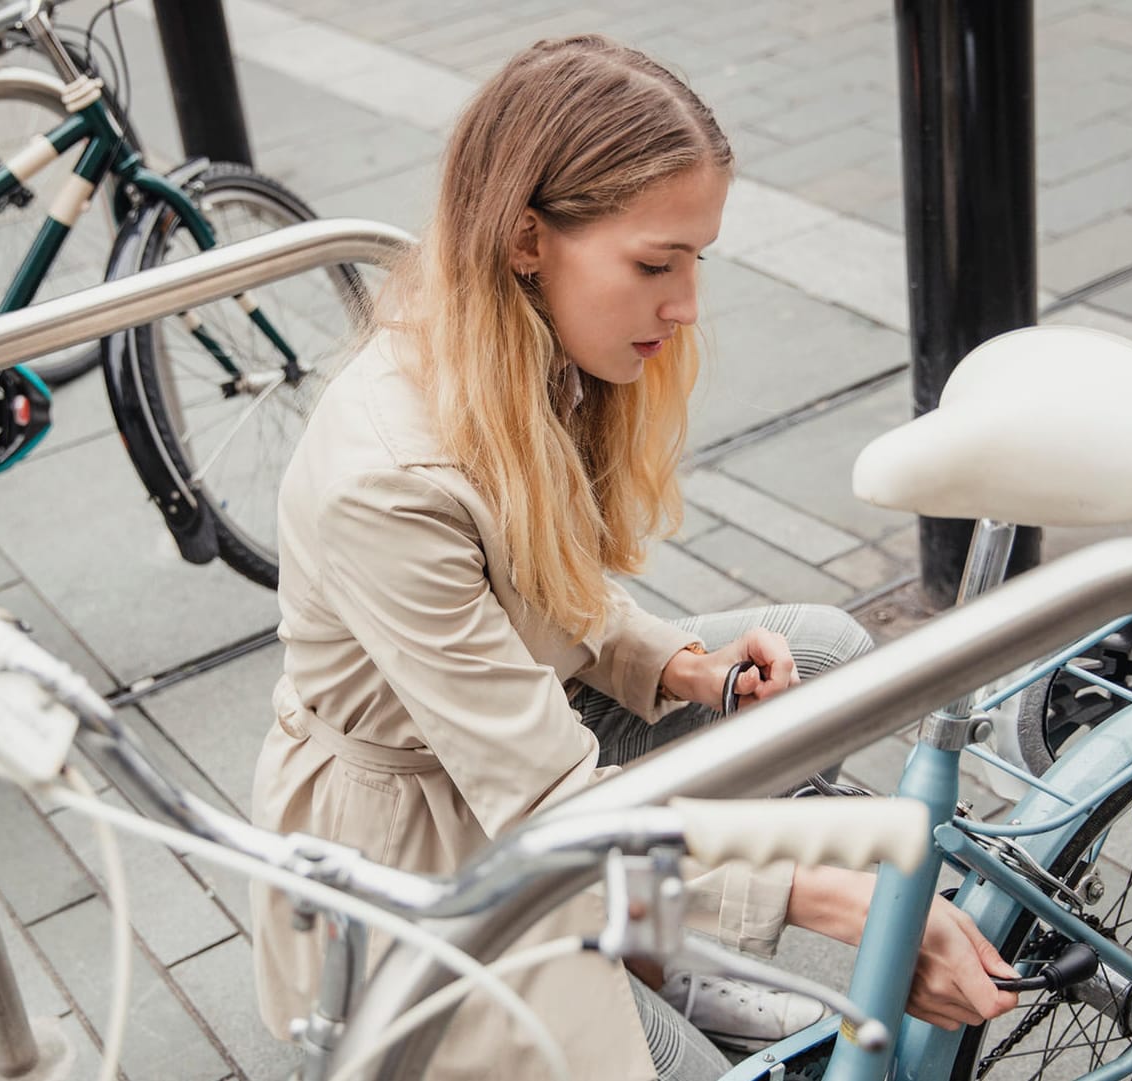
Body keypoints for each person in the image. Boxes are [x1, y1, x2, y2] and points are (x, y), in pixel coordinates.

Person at [250, 34, 1018, 1081]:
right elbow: (546, 808)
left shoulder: (525, 348)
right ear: (527, 238)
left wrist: (674, 665)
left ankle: (648, 949)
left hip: (517, 753)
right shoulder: (388, 480)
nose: (686, 304)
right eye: (656, 263)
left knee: (824, 659)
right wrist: (822, 886)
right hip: (423, 847)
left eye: (696, 258)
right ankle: (637, 960)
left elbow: (535, 595)